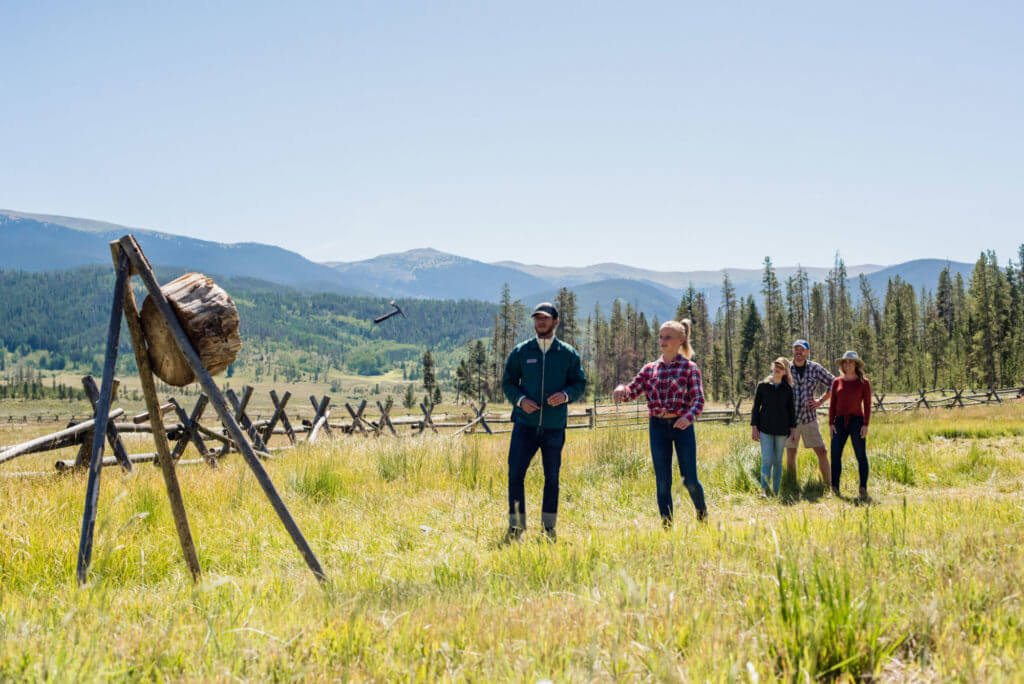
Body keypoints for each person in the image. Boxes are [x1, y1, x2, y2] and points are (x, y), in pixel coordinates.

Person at [501, 302, 587, 541]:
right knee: (515, 475)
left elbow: (579, 383)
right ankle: (516, 526)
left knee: (552, 478)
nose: (540, 322)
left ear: (555, 321)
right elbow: (508, 382)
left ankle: (549, 528)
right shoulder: (521, 352)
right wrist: (520, 400)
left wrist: (566, 396)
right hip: (524, 425)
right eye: (537, 318)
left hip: (554, 427)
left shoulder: (568, 354)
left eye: (545, 318)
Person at [613, 320, 707, 525]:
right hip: (657, 427)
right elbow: (632, 391)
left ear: (680, 340)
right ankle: (667, 525)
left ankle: (701, 513)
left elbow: (699, 400)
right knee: (663, 481)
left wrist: (687, 418)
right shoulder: (650, 369)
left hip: (682, 427)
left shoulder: (690, 368)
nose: (663, 341)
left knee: (689, 479)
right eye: (661, 336)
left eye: (668, 337)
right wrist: (622, 389)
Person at [785, 339, 834, 486]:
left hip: (809, 418)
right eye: (796, 349)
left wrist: (820, 401)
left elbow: (834, 382)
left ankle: (828, 485)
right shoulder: (786, 368)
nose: (798, 352)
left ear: (807, 352)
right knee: (791, 452)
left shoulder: (815, 368)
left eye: (802, 350)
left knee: (822, 451)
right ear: (793, 351)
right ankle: (791, 485)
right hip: (790, 420)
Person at [750, 357, 798, 496]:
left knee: (777, 461)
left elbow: (791, 411)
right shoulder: (763, 385)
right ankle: (764, 491)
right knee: (767, 460)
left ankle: (776, 491)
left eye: (781, 367)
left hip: (782, 430)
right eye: (776, 365)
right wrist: (754, 427)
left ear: (785, 372)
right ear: (772, 367)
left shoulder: (787, 389)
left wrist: (793, 429)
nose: (777, 368)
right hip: (765, 429)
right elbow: (755, 408)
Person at [829, 351, 872, 499]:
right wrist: (830, 424)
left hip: (857, 422)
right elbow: (832, 404)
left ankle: (863, 488)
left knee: (860, 455)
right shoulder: (837, 382)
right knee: (835, 453)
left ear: (856, 365)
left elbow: (867, 405)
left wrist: (866, 424)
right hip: (839, 422)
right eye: (845, 362)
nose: (848, 365)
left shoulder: (863, 382)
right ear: (842, 365)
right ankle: (834, 488)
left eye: (851, 362)